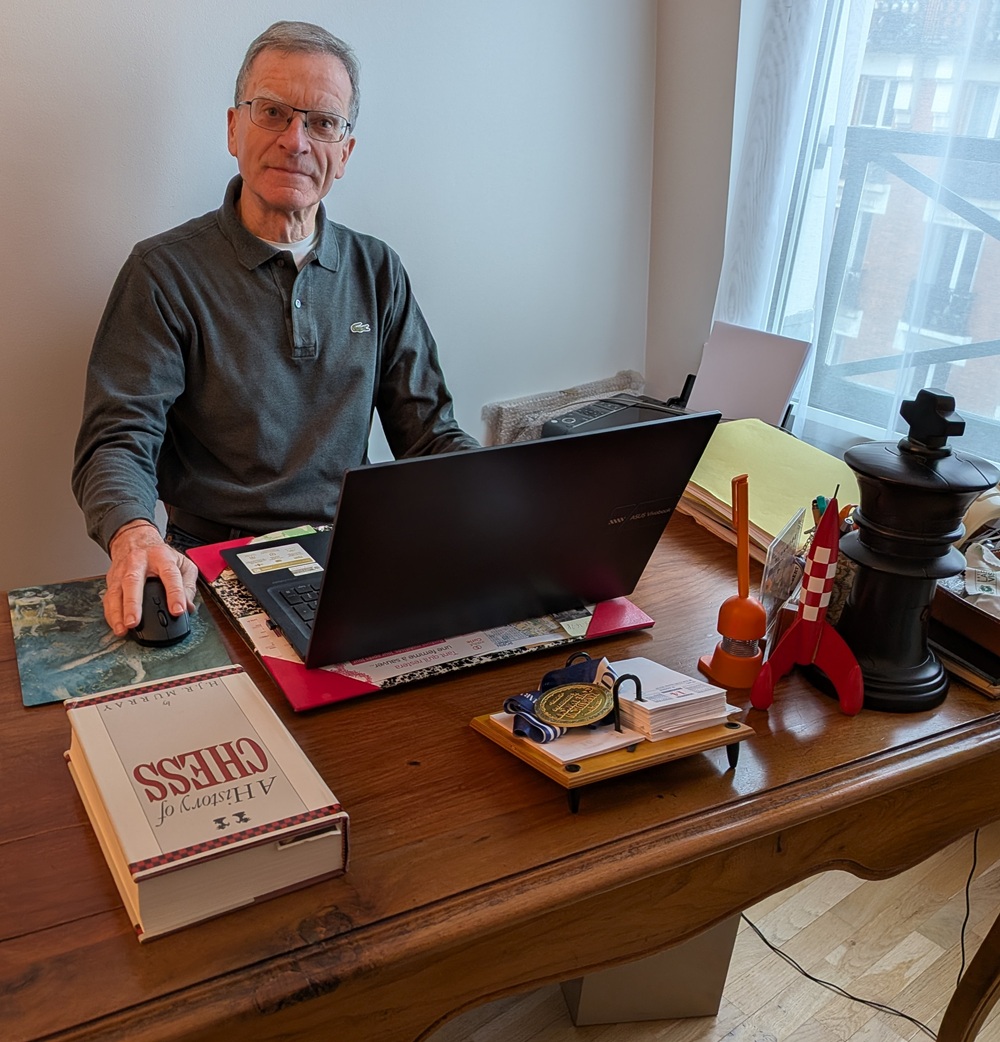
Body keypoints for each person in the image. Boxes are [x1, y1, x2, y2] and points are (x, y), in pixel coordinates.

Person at [72, 21, 478, 639]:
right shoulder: (162, 273)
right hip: (211, 564)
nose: (296, 140)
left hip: (352, 555)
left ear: (345, 152)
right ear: (234, 128)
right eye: (273, 113)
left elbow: (429, 435)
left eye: (323, 122)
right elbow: (118, 439)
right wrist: (134, 533)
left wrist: (504, 498)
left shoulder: (378, 270)